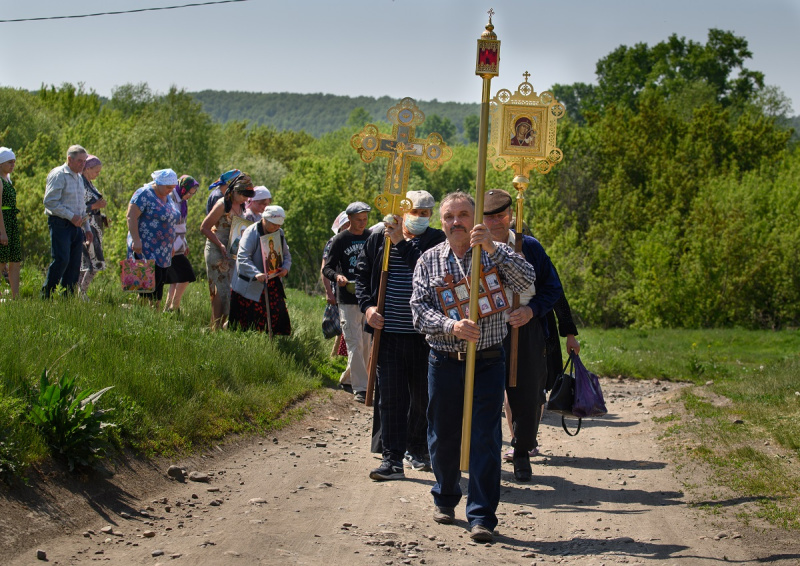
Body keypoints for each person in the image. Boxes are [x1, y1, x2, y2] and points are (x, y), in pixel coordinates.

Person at [410, 191, 536, 543]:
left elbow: (526, 280)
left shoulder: (495, 252)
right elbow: (418, 310)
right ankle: (446, 495)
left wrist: (493, 249)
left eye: (463, 215)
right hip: (445, 359)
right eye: (449, 217)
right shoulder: (430, 260)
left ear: (474, 218)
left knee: (485, 438)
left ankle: (481, 516)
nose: (456, 222)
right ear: (442, 222)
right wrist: (451, 326)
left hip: (488, 360)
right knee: (442, 434)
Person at [355, 190, 445, 480]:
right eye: (415, 212)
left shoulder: (436, 242)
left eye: (426, 213)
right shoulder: (378, 236)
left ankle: (417, 448)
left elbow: (425, 270)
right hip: (389, 332)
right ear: (404, 211)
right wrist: (368, 308)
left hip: (424, 335)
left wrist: (401, 242)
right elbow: (361, 273)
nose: (420, 218)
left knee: (423, 397)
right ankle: (391, 459)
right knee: (391, 397)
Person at [481, 189, 563, 482]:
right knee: (485, 392)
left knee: (527, 393)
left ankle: (521, 451)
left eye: (501, 216)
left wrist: (532, 311)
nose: (495, 223)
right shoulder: (474, 247)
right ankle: (484, 452)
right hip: (487, 328)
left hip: (525, 328)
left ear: (511, 216)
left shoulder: (529, 246)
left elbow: (553, 288)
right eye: (488, 217)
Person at [322, 202, 372, 403]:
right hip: (347, 298)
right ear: (349, 219)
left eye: (365, 219)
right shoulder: (340, 239)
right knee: (354, 342)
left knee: (366, 344)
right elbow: (327, 268)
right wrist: (337, 277)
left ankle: (348, 378)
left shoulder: (371, 237)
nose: (362, 223)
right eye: (358, 220)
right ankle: (362, 388)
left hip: (368, 298)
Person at [201, 172, 255, 329]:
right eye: (244, 195)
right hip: (216, 250)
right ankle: (215, 327)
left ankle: (221, 326)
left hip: (231, 252)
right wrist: (219, 244)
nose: (246, 199)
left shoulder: (242, 205)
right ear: (236, 191)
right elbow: (204, 227)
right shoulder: (221, 204)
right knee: (219, 290)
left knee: (229, 291)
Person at [229, 205, 291, 334]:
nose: (277, 227)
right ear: (265, 220)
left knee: (276, 313)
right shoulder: (251, 232)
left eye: (279, 225)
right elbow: (243, 257)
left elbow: (286, 254)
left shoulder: (279, 233)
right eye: (274, 224)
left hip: (271, 281)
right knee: (248, 319)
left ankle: (271, 340)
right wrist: (256, 273)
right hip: (251, 283)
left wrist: (285, 268)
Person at [42, 145, 92, 298]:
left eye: (84, 161)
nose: (82, 165)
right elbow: (50, 202)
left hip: (76, 226)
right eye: (79, 161)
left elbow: (81, 206)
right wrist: (70, 216)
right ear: (69, 159)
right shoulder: (59, 174)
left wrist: (87, 227)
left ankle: (67, 300)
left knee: (74, 264)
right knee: (62, 259)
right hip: (60, 223)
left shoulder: (78, 177)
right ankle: (47, 296)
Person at [126, 169, 181, 308]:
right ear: (159, 183)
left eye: (173, 187)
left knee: (159, 285)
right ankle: (141, 316)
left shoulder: (167, 196)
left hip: (164, 250)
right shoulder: (144, 193)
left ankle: (154, 317)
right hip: (146, 247)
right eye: (168, 187)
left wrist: (171, 244)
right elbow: (131, 216)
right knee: (145, 287)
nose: (171, 190)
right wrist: (136, 240)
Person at [163, 175, 200, 312]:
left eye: (193, 193)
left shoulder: (183, 201)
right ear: (183, 188)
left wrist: (185, 243)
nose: (190, 195)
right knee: (187, 274)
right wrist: (170, 244)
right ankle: (175, 306)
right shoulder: (171, 198)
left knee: (176, 278)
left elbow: (182, 225)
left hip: (179, 243)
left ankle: (169, 307)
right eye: (189, 192)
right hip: (171, 243)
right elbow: (169, 222)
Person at [322, 211, 350, 381]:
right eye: (346, 225)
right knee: (341, 323)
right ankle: (335, 356)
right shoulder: (333, 242)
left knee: (346, 324)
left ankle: (338, 356)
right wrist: (328, 291)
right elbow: (325, 268)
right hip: (337, 286)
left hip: (352, 288)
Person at [78, 155, 108, 297]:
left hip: (95, 226)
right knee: (93, 262)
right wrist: (96, 205)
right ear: (87, 169)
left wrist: (101, 216)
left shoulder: (90, 184)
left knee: (88, 261)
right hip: (86, 227)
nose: (98, 174)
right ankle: (81, 292)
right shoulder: (81, 184)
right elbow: (79, 207)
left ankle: (80, 292)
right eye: (96, 171)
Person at [0, 148, 20, 299]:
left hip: (11, 221)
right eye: (9, 162)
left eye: (14, 162)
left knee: (14, 259)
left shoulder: (8, 179)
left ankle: (15, 296)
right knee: (1, 261)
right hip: (3, 222)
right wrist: (3, 232)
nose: (13, 165)